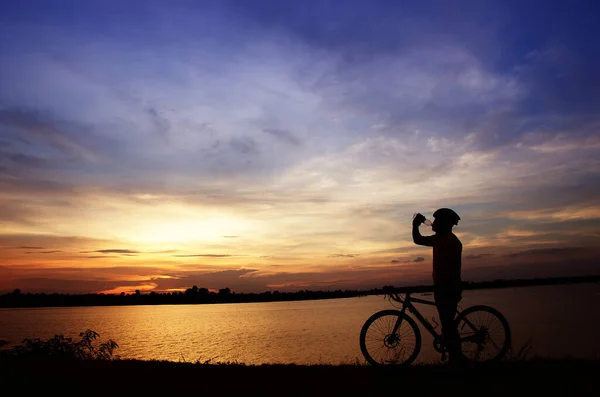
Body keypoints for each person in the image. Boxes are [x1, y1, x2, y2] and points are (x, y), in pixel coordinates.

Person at [412, 208, 463, 363]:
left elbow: (452, 270)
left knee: (448, 325)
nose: (433, 223)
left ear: (445, 224)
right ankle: (455, 358)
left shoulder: (451, 242)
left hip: (448, 289)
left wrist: (449, 288)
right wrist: (415, 225)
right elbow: (418, 239)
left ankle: (457, 359)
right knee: (447, 324)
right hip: (442, 288)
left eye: (437, 221)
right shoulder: (439, 239)